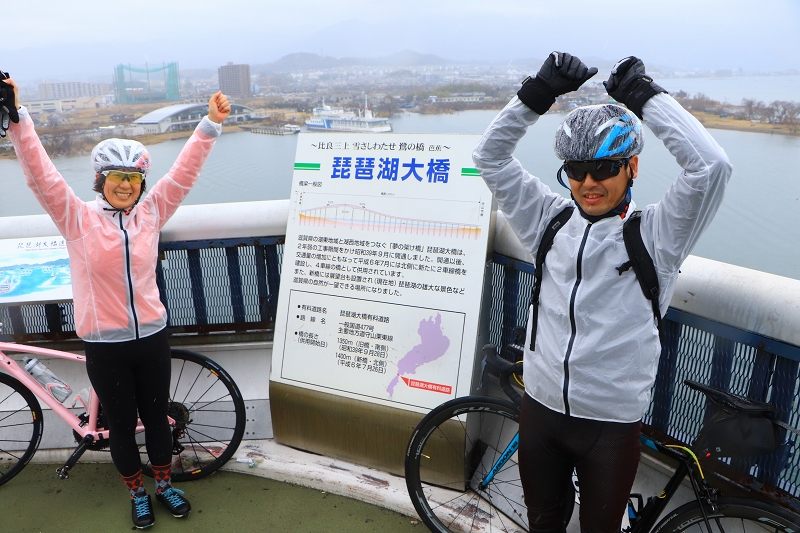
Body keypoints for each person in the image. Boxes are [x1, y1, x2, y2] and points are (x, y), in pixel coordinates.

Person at [473, 53, 732, 533]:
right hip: (540, 411)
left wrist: (645, 97)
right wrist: (537, 93)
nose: (588, 183)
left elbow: (711, 167)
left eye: (604, 168)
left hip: (610, 427)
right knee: (543, 524)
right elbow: (488, 156)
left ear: (632, 167)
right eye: (575, 170)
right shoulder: (547, 219)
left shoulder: (657, 236)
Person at [3, 76, 231, 529]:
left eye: (134, 178)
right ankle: (136, 493)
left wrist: (210, 124)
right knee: (122, 426)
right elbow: (40, 174)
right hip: (105, 346)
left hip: (152, 337)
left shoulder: (151, 213)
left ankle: (165, 484)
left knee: (159, 420)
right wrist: (18, 117)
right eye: (116, 178)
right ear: (100, 180)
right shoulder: (76, 218)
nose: (126, 186)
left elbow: (183, 174)